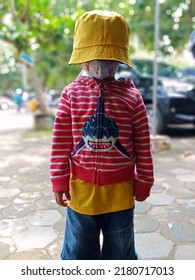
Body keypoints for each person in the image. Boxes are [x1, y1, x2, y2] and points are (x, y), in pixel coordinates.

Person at [50, 10, 154, 260]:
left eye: (109, 57)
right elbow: (60, 140)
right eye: (95, 56)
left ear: (119, 60)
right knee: (79, 254)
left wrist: (145, 179)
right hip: (81, 193)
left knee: (120, 255)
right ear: (82, 59)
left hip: (121, 194)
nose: (102, 64)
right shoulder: (70, 95)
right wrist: (58, 179)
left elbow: (143, 142)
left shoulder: (132, 97)